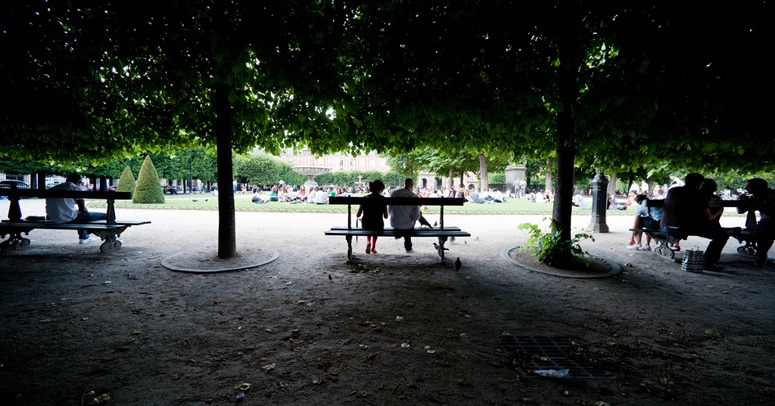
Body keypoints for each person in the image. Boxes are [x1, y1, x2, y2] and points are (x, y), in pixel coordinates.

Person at [660, 173, 729, 271]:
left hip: (665, 226)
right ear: (700, 183)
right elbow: (708, 217)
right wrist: (718, 212)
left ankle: (702, 260)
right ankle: (708, 262)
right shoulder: (698, 195)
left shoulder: (673, 190)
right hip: (683, 227)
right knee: (722, 235)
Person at [45, 173, 108, 244]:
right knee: (106, 215)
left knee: (79, 215)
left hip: (52, 217)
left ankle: (84, 236)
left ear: (67, 180)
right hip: (68, 218)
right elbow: (82, 209)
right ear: (79, 181)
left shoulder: (53, 188)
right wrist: (86, 213)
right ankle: (112, 236)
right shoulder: (75, 188)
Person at [737, 178, 775, 267]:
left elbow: (740, 210)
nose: (746, 188)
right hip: (768, 223)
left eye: (749, 186)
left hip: (769, 224)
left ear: (758, 187)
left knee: (763, 228)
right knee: (764, 227)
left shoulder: (758, 198)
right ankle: (761, 255)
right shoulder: (761, 196)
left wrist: (741, 199)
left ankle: (761, 256)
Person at [389, 178, 421, 253]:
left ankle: (398, 234)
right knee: (409, 223)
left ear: (404, 184)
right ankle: (408, 247)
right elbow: (416, 216)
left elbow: (389, 210)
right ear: (412, 185)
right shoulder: (413, 196)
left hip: (395, 223)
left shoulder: (394, 193)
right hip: (407, 226)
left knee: (404, 220)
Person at [356, 180, 388, 254]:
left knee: (368, 225)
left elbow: (358, 215)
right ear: (380, 189)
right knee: (376, 227)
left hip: (366, 224)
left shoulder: (365, 198)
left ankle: (368, 242)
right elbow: (386, 216)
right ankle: (373, 247)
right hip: (378, 224)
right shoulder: (382, 199)